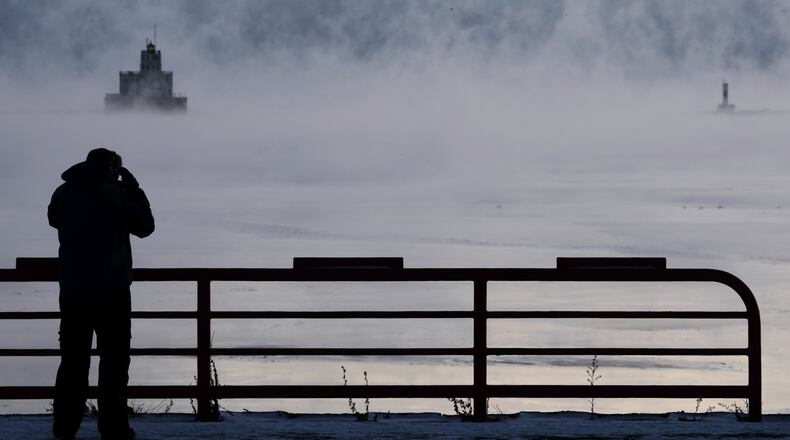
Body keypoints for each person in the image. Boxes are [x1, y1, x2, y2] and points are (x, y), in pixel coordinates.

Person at [48, 148, 154, 440]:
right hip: (112, 290)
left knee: (72, 362)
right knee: (115, 363)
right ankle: (113, 428)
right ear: (113, 168)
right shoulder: (116, 193)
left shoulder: (63, 192)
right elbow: (145, 226)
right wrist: (133, 187)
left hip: (72, 291)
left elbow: (53, 220)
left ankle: (64, 427)